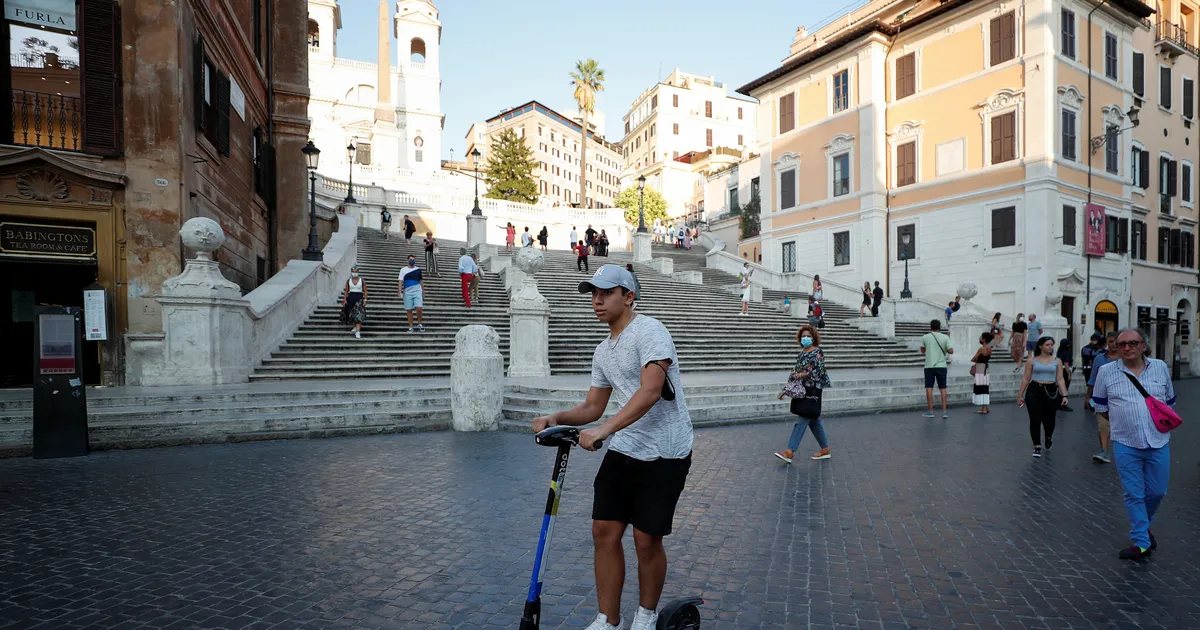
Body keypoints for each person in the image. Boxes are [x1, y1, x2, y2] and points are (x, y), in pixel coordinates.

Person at [530, 264, 693, 630]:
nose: (597, 300)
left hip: (666, 451)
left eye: (606, 293)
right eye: (593, 294)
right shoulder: (604, 350)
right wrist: (555, 418)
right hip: (626, 446)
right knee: (603, 531)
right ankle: (608, 619)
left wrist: (603, 430)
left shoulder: (650, 331)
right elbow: (593, 406)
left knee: (646, 539)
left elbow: (651, 390)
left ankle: (646, 617)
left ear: (629, 296)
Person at [1092, 328, 1176, 560]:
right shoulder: (1106, 372)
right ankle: (1141, 542)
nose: (1127, 348)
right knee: (1133, 494)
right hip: (1125, 442)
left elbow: (1169, 400)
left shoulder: (1159, 367)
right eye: (1122, 344)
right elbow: (1101, 407)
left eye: (1132, 343)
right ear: (1116, 348)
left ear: (1143, 346)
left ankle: (1143, 526)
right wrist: (1125, 422)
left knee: (1158, 491)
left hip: (1158, 440)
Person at [774, 324, 833, 463]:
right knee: (813, 420)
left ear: (813, 337)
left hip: (813, 390)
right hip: (801, 390)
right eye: (803, 336)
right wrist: (785, 390)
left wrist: (802, 375)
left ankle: (790, 451)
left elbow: (818, 372)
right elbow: (793, 373)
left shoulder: (818, 352)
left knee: (802, 420)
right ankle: (825, 449)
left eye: (808, 336)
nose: (805, 338)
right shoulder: (801, 354)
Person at [1017, 337, 1068, 458]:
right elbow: (1026, 378)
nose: (1050, 347)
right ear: (1040, 346)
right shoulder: (1032, 360)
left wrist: (1064, 394)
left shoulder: (1057, 361)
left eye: (1051, 345)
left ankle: (1048, 436)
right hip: (1034, 389)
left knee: (1049, 419)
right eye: (1047, 345)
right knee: (1035, 419)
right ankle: (1037, 445)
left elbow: (1060, 379)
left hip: (1051, 391)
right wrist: (1020, 395)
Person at [1087, 332, 1120, 463]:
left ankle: (1122, 451)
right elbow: (1093, 378)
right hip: (1102, 397)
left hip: (1121, 398)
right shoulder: (1099, 358)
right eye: (1111, 341)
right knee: (1103, 425)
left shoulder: (1126, 359)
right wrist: (1088, 396)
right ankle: (1104, 451)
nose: (1113, 345)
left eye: (1116, 342)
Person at [920, 319, 954, 418]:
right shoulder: (945, 337)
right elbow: (951, 351)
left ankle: (930, 411)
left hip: (929, 366)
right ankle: (944, 412)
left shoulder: (925, 337)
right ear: (939, 327)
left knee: (929, 387)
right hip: (942, 366)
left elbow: (922, 350)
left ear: (931, 327)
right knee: (943, 388)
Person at [396, 255, 425, 333]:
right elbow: (400, 281)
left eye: (413, 259)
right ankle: (411, 327)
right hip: (407, 292)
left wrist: (423, 290)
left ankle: (420, 323)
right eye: (411, 259)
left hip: (417, 291)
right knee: (409, 310)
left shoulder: (418, 270)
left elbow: (421, 280)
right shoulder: (403, 270)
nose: (412, 261)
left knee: (419, 308)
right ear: (408, 260)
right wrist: (399, 291)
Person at [341, 265, 367, 339]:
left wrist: (365, 299)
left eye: (356, 272)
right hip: (351, 297)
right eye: (353, 272)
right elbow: (346, 290)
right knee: (352, 313)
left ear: (358, 272)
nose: (354, 273)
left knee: (358, 314)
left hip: (359, 297)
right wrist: (345, 299)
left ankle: (358, 332)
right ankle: (355, 326)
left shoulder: (362, 281)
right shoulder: (348, 281)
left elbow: (365, 291)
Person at [971, 332, 993, 414]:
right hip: (986, 368)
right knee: (985, 387)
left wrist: (975, 360)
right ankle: (986, 407)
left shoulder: (982, 348)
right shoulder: (989, 348)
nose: (979, 338)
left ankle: (983, 408)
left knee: (980, 387)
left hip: (980, 368)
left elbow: (974, 358)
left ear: (984, 339)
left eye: (981, 337)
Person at [1081, 333, 1104, 407]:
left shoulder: (1084, 348)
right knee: (1094, 388)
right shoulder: (1095, 348)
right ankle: (1091, 404)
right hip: (1092, 369)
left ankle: (1088, 403)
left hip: (1085, 368)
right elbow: (1092, 360)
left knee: (1089, 386)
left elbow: (1083, 358)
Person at [1057, 337, 1075, 411]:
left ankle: (1058, 403)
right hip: (1065, 371)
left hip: (1060, 370)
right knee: (1065, 388)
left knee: (1060, 388)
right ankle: (1063, 404)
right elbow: (1066, 364)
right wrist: (1069, 374)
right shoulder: (1066, 353)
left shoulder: (1059, 352)